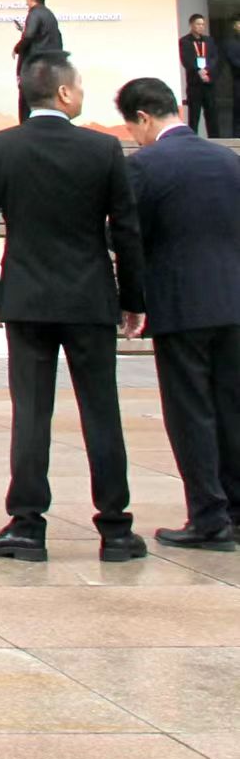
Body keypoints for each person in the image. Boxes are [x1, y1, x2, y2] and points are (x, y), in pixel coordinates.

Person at [0, 53, 147, 564]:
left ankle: (27, 525)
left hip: (26, 298)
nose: (83, 93)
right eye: (80, 86)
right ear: (65, 93)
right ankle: (116, 529)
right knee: (102, 411)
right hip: (90, 298)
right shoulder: (103, 148)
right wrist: (133, 300)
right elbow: (126, 231)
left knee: (30, 413)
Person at [117, 77, 240, 551]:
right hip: (233, 302)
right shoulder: (228, 160)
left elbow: (127, 235)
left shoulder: (146, 165)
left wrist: (132, 298)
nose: (135, 139)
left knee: (191, 412)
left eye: (133, 129)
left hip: (181, 304)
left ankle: (208, 518)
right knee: (232, 408)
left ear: (143, 118)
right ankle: (236, 511)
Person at [12, 0, 62, 121]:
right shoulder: (50, 15)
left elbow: (29, 36)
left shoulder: (34, 13)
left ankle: (26, 131)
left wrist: (17, 48)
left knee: (26, 104)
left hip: (34, 68)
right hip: (49, 69)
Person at [179, 14, 218, 137]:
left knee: (211, 113)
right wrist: (198, 70)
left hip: (208, 82)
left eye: (202, 24)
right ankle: (192, 139)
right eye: (198, 24)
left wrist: (206, 70)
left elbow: (214, 57)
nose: (201, 27)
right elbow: (186, 60)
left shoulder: (209, 40)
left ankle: (215, 139)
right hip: (194, 83)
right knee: (194, 115)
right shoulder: (185, 41)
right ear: (191, 25)